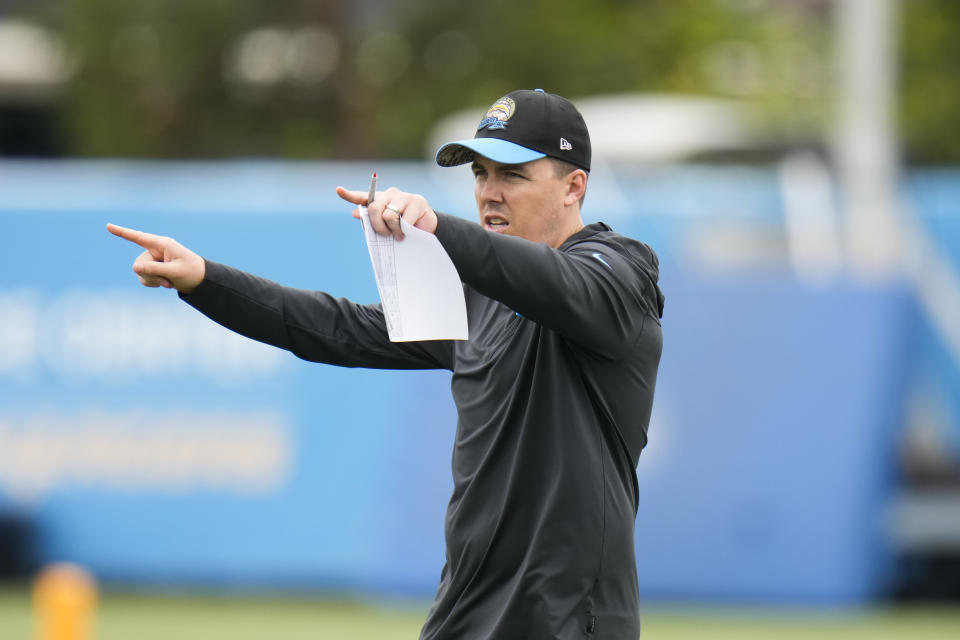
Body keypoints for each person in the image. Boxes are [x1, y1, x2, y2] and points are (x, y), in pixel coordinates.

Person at [108, 88, 664, 640]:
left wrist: (438, 229)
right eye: (480, 174)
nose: (489, 193)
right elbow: (339, 329)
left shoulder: (619, 273)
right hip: (467, 611)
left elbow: (553, 283)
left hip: (568, 619)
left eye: (512, 176)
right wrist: (206, 280)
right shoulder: (475, 297)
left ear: (574, 187)